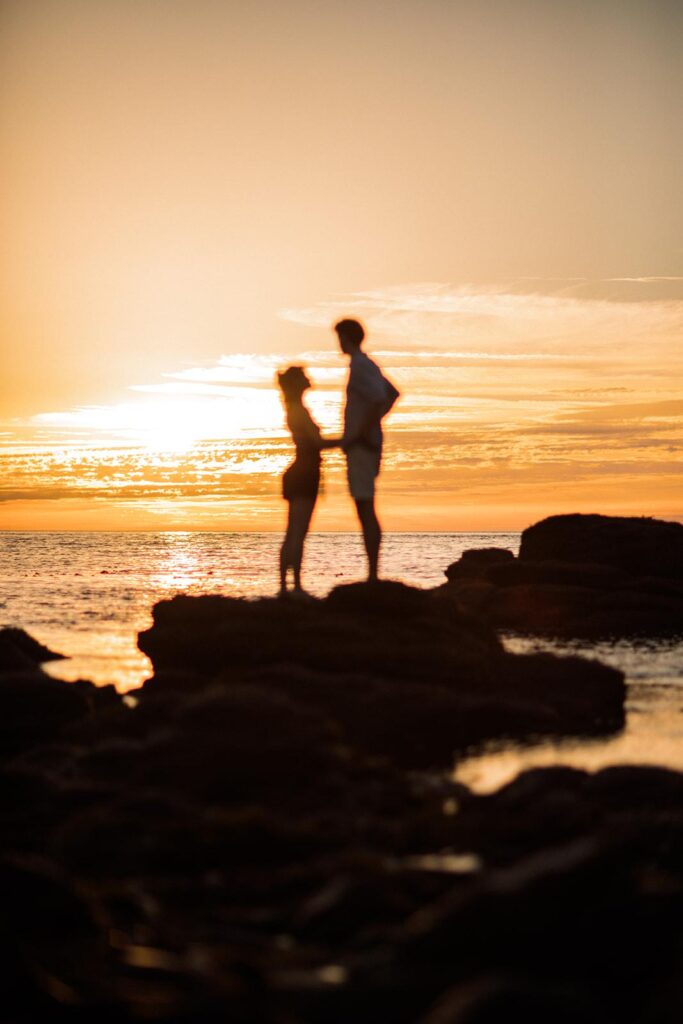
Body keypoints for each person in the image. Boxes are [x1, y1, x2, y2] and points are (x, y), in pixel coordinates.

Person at [334, 318, 399, 582]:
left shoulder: (361, 366)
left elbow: (380, 399)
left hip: (362, 445)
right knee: (365, 506)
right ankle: (372, 573)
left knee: (365, 506)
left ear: (347, 337)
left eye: (339, 337)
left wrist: (362, 432)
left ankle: (373, 575)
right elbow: (392, 393)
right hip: (365, 443)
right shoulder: (366, 364)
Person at [277, 366, 338, 597]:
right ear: (296, 383)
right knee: (296, 532)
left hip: (306, 472)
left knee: (296, 532)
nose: (309, 378)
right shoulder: (298, 411)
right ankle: (291, 587)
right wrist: (351, 440)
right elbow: (317, 443)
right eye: (304, 376)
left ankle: (291, 586)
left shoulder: (297, 409)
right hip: (303, 473)